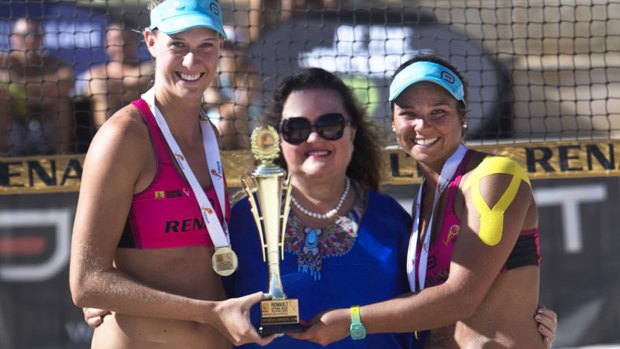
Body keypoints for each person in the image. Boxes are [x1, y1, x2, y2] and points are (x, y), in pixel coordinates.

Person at [83, 66, 558, 348]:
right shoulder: (235, 222)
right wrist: (118, 302)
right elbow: (176, 283)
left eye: (331, 124)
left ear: (353, 131)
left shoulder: (397, 224)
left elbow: (450, 299)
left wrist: (521, 320)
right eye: (296, 128)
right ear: (274, 139)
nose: (314, 138)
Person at [290, 55, 553, 348]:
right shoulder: (424, 198)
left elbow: (461, 298)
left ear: (462, 116)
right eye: (409, 113)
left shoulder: (494, 177)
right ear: (392, 121)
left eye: (438, 112)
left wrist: (351, 321)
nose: (422, 125)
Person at [68, 0, 276, 347]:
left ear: (220, 48)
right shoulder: (125, 136)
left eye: (205, 46)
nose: (192, 62)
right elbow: (87, 282)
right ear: (150, 42)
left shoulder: (209, 131)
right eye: (177, 45)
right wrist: (209, 312)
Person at [0, 17, 74, 156]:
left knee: (61, 102)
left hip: (44, 116)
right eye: (24, 35)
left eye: (35, 34)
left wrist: (19, 83)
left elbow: (67, 81)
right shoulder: (4, 61)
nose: (30, 39)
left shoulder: (52, 63)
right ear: (13, 38)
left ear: (42, 38)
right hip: (12, 117)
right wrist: (40, 92)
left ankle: (62, 158)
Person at [77, 19, 154, 129]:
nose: (121, 44)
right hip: (105, 130)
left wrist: (112, 86)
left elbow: (138, 81)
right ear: (106, 44)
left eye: (125, 39)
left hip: (144, 126)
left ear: (135, 42)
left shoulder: (148, 68)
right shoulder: (96, 72)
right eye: (115, 40)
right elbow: (88, 88)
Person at [202, 24, 257, 150]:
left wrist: (227, 107)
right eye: (223, 47)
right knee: (224, 122)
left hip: (247, 121)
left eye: (232, 47)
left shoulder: (249, 72)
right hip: (221, 120)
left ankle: (246, 155)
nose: (226, 52)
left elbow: (243, 107)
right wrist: (229, 109)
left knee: (236, 120)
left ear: (241, 49)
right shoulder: (212, 71)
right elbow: (211, 100)